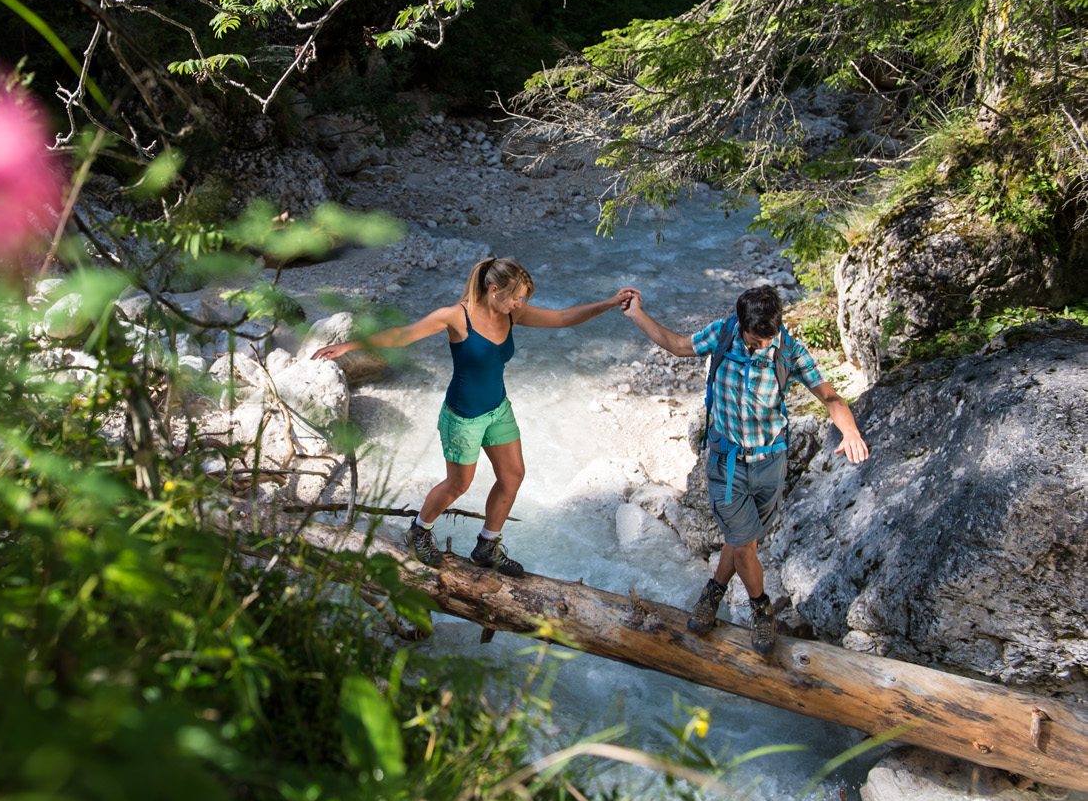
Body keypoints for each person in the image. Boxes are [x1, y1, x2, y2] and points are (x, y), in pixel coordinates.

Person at [312, 257, 638, 577]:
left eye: (523, 299)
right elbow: (403, 335)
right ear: (493, 289)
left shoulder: (512, 314)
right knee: (459, 484)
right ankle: (419, 531)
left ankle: (487, 546)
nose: (519, 303)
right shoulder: (456, 316)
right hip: (463, 417)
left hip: (498, 410)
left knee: (512, 476)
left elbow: (564, 317)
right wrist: (348, 346)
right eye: (515, 297)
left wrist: (610, 302)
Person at [620, 284, 869, 654]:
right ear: (741, 324)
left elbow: (830, 397)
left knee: (742, 541)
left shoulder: (789, 350)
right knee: (745, 545)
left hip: (771, 462)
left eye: (766, 340)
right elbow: (676, 345)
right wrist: (637, 313)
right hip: (726, 462)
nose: (760, 348)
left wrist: (849, 429)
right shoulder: (722, 335)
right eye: (754, 341)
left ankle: (713, 592)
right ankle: (761, 610)